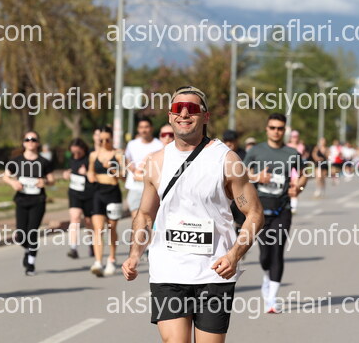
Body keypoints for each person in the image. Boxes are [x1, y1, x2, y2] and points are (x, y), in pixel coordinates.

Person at [122, 86, 264, 342]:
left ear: (205, 116)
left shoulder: (226, 160)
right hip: (168, 271)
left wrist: (234, 255)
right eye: (178, 108)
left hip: (213, 272)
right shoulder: (156, 162)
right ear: (170, 115)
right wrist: (134, 254)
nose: (184, 114)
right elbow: (145, 215)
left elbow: (254, 213)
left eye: (192, 109)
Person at [245, 114, 307, 313]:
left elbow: (304, 174)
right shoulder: (256, 151)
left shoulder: (292, 153)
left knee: (277, 249)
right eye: (272, 127)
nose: (276, 131)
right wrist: (257, 177)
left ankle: (272, 299)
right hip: (260, 210)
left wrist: (298, 187)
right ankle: (267, 276)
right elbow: (240, 173)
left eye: (280, 128)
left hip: (282, 209)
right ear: (267, 129)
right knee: (265, 255)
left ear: (284, 130)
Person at [3, 131, 54, 276]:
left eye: (33, 139)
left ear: (38, 143)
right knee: (20, 235)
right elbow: (6, 176)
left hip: (38, 201)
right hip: (21, 200)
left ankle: (31, 263)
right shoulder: (16, 160)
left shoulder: (43, 162)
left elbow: (52, 180)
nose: (30, 142)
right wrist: (13, 183)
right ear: (23, 142)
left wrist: (45, 182)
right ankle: (27, 249)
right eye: (28, 139)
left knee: (32, 232)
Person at [88, 126, 125, 277]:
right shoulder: (93, 155)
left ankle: (112, 259)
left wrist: (112, 169)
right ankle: (98, 262)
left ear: (112, 139)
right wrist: (90, 176)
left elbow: (124, 176)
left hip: (113, 192)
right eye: (101, 140)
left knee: (111, 228)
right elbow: (90, 171)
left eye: (107, 139)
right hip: (98, 192)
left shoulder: (119, 154)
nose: (104, 142)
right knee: (98, 229)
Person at [124, 117, 163, 220]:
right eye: (141, 127)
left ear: (151, 128)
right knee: (136, 219)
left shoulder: (159, 145)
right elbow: (127, 159)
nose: (144, 130)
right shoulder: (132, 144)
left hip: (152, 188)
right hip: (135, 187)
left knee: (149, 219)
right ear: (138, 129)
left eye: (146, 127)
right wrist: (133, 169)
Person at [63, 138, 96, 259]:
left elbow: (96, 176)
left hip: (89, 194)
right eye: (73, 152)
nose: (75, 155)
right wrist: (66, 174)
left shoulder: (90, 158)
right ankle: (73, 248)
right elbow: (69, 169)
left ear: (83, 149)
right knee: (75, 218)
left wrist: (86, 173)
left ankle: (92, 244)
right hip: (74, 193)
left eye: (78, 152)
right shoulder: (71, 159)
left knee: (88, 222)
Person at [286, 130, 305, 213]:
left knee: (295, 187)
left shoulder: (301, 146)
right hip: (288, 168)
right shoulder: (287, 146)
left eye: (296, 137)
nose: (295, 138)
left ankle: (294, 207)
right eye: (293, 137)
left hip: (297, 169)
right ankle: (289, 204)